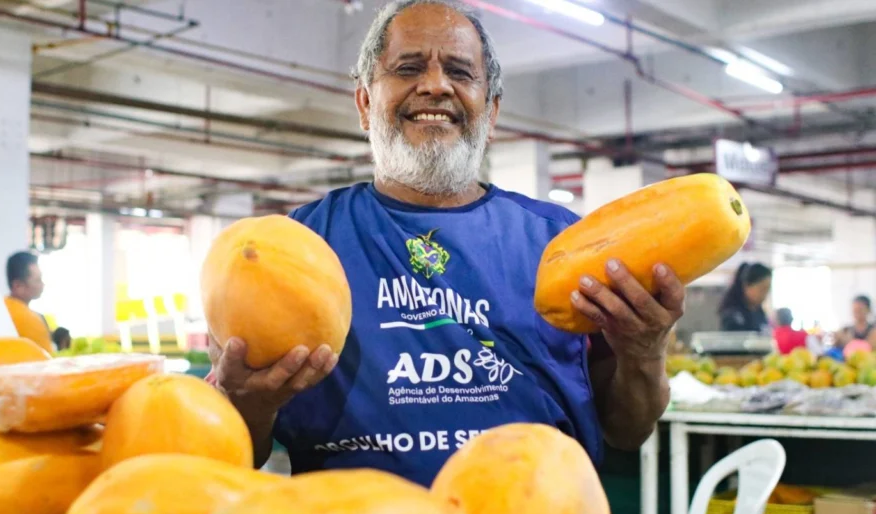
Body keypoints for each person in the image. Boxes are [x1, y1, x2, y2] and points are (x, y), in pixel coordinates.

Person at [207, 0, 682, 487]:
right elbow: (236, 452)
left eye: (459, 71)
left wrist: (643, 353)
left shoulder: (564, 242)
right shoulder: (293, 248)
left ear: (491, 111)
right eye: (408, 67)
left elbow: (627, 431)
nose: (435, 85)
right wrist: (248, 404)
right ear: (366, 104)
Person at [5, 251, 56, 352]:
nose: (42, 285)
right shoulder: (29, 319)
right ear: (18, 286)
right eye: (37, 280)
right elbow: (48, 362)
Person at [717, 263, 772, 334]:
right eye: (762, 289)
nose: (765, 294)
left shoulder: (760, 313)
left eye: (768, 290)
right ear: (747, 286)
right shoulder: (733, 316)